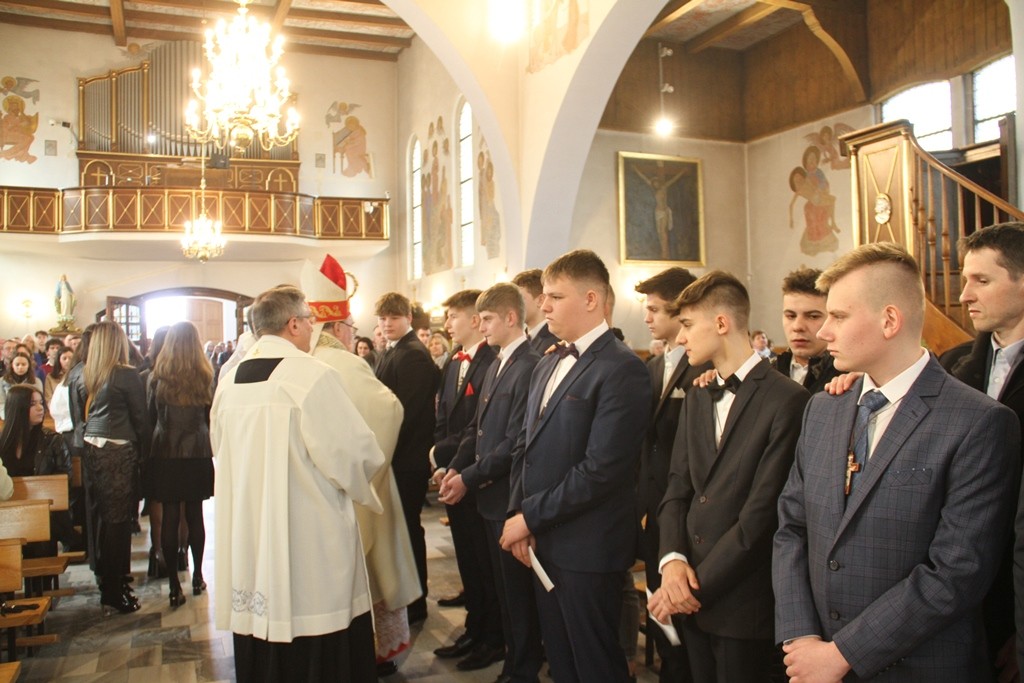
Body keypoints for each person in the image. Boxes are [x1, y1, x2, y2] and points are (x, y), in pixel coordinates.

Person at [774, 242, 1020, 681]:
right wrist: (801, 636)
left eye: (839, 316)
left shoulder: (978, 421)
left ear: (889, 320)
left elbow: (956, 571)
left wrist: (841, 654)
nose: (824, 331)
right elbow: (792, 527)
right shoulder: (823, 409)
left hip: (918, 666)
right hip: (814, 659)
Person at [212, 286, 384, 683]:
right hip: (308, 534)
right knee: (314, 614)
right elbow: (353, 454)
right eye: (309, 321)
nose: (311, 328)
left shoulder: (230, 381)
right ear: (293, 324)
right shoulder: (311, 375)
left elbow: (218, 447)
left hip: (248, 531)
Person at [649, 271, 808, 682]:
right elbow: (677, 488)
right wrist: (672, 561)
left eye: (687, 324)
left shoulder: (788, 400)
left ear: (721, 323)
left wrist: (690, 588)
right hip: (689, 594)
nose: (681, 337)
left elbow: (761, 516)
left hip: (743, 603)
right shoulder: (697, 395)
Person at [501, 249, 650, 683]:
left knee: (595, 665)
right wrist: (518, 512)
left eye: (555, 296)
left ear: (590, 299)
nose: (543, 305)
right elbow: (525, 447)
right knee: (562, 663)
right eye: (544, 296)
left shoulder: (622, 368)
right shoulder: (548, 360)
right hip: (544, 538)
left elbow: (601, 470)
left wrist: (530, 516)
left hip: (588, 549)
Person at [301, 256, 420, 676]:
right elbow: (388, 410)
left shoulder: (299, 362)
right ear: (337, 327)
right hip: (354, 490)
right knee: (368, 569)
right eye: (351, 327)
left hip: (314, 491)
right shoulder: (345, 363)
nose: (354, 334)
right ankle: (372, 651)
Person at [441, 282, 545, 683]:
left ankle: (522, 669)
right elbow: (477, 427)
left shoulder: (529, 365)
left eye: (487, 319)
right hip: (487, 496)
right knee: (500, 590)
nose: (481, 326)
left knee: (517, 597)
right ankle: (510, 660)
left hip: (507, 497)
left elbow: (516, 441)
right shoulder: (499, 361)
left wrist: (470, 476)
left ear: (510, 317)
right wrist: (456, 467)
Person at [938, 222, 1024, 682]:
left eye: (982, 280)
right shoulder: (950, 365)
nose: (964, 295)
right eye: (964, 279)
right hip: (953, 595)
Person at [633, 267, 710, 682]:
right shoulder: (652, 367)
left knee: (687, 623)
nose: (647, 317)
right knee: (660, 615)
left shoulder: (705, 369)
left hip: (687, 516)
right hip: (654, 513)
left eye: (655, 309)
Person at [430, 289, 503, 671]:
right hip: (454, 472)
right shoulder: (453, 361)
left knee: (485, 566)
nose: (447, 324)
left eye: (453, 316)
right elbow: (444, 416)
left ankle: (492, 637)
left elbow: (482, 426)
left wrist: (455, 464)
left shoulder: (491, 360)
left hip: (478, 477)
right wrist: (441, 462)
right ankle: (474, 628)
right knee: (468, 563)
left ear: (475, 320)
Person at [71, 321, 150, 615]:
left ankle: (108, 580)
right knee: (118, 521)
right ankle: (115, 590)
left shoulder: (81, 373)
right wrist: (146, 455)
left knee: (102, 519)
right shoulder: (125, 374)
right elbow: (141, 419)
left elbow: (79, 418)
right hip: (118, 451)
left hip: (92, 450)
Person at [373, 291, 440, 625]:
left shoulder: (412, 354)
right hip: (399, 455)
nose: (387, 324)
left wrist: (383, 448)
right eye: (383, 318)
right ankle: (407, 597)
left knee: (409, 529)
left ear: (408, 318)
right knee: (402, 530)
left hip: (407, 457)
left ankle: (416, 601)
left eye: (394, 318)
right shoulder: (394, 349)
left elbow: (407, 413)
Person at [147, 321, 215, 609]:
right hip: (197, 451)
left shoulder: (157, 378)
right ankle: (198, 575)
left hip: (166, 452)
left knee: (171, 517)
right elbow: (210, 417)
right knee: (195, 515)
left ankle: (174, 585)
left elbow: (151, 418)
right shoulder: (205, 377)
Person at [0, 385, 75, 551]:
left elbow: (64, 483)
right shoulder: (3, 444)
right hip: (8, 516)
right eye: (33, 404)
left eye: (41, 402)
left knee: (41, 538)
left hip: (46, 514)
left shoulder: (52, 440)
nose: (40, 408)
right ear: (17, 408)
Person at [775, 267, 838, 394]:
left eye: (813, 316)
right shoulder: (767, 375)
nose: (797, 326)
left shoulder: (849, 377)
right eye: (791, 316)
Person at [513, 268, 559, 353]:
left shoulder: (555, 340)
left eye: (519, 299)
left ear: (541, 300)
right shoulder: (517, 340)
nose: (512, 306)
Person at [0, 350, 43, 420]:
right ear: (12, 365)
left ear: (28, 365)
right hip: (9, 416)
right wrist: (7, 417)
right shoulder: (2, 381)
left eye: (23, 364)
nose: (20, 367)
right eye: (17, 364)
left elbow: (38, 402)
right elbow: (1, 403)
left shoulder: (36, 382)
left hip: (30, 417)